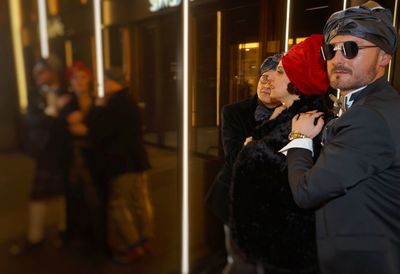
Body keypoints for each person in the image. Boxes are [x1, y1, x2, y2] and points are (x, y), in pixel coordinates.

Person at [282, 2, 400, 274]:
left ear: (384, 57)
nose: (337, 58)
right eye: (331, 50)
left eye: (351, 48)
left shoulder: (370, 117)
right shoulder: (372, 105)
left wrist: (299, 138)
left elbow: (306, 192)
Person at [230, 35, 331, 274]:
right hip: (277, 243)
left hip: (287, 249)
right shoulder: (289, 114)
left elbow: (271, 173)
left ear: (297, 83)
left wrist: (250, 148)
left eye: (280, 72)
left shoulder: (306, 120)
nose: (269, 77)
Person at [205, 54, 282, 274]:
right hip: (236, 198)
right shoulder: (234, 111)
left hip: (272, 203)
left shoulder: (293, 113)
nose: (266, 84)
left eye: (273, 78)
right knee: (241, 263)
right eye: (263, 78)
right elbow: (234, 156)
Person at [81, 68, 153, 263]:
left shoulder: (113, 104)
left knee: (119, 204)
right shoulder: (130, 101)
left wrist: (96, 106)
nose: (102, 86)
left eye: (104, 82)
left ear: (113, 82)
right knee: (140, 202)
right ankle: (145, 240)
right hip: (138, 159)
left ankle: (133, 246)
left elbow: (95, 130)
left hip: (121, 162)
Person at [10, 55, 70, 255]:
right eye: (35, 72)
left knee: (65, 194)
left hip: (63, 152)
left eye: (41, 72)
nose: (36, 76)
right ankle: (35, 238)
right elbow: (30, 122)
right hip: (44, 153)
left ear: (52, 73)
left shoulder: (67, 93)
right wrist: (51, 112)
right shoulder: (34, 95)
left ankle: (65, 232)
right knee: (37, 196)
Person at [63, 61, 107, 255]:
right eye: (75, 77)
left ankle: (100, 242)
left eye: (82, 77)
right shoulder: (67, 102)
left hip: (95, 161)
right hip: (73, 162)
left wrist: (84, 128)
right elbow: (67, 128)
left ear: (89, 79)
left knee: (97, 201)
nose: (79, 81)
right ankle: (82, 238)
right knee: (77, 201)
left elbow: (99, 131)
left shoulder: (98, 102)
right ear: (70, 82)